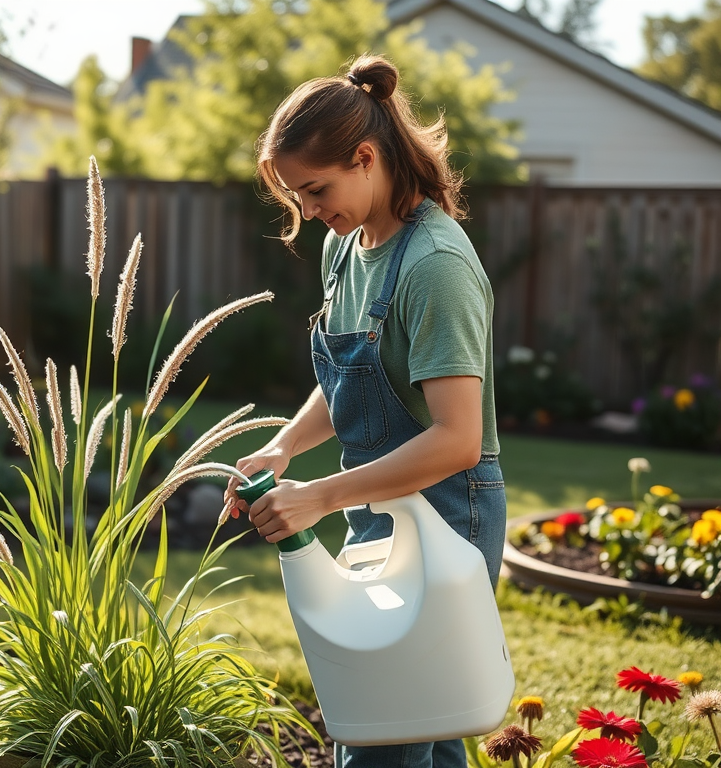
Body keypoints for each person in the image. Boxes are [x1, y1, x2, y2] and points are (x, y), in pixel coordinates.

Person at [222, 53, 508, 768]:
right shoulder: (345, 248)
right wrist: (284, 448)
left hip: (446, 511)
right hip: (377, 504)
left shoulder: (434, 266)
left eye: (316, 189)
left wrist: (317, 496)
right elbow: (356, 374)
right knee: (427, 727)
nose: (311, 211)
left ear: (365, 156)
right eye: (297, 196)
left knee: (386, 723)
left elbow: (458, 440)